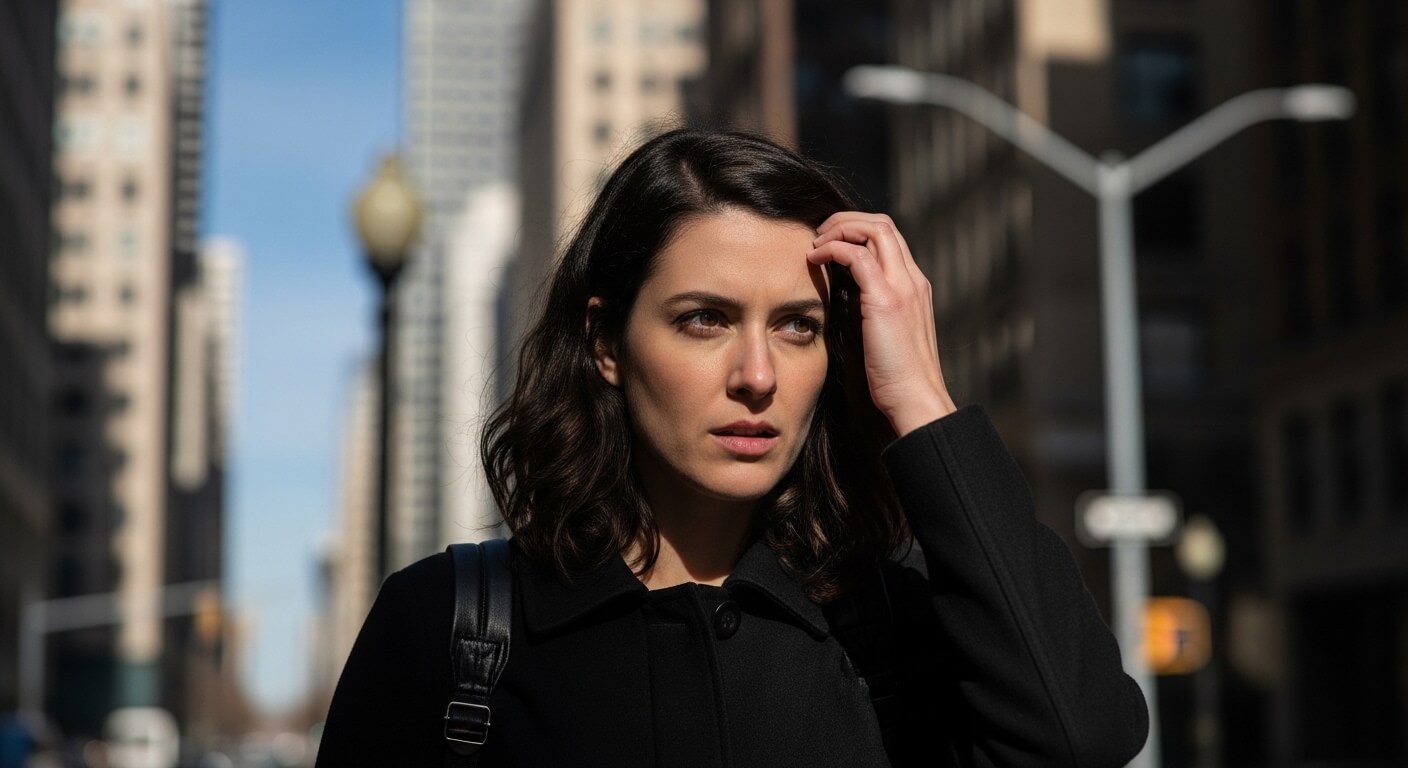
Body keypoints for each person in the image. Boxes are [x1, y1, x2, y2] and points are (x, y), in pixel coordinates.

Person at [316, 128, 1149, 767]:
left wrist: (922, 401)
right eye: (704, 319)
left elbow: (1080, 740)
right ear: (606, 341)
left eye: (798, 327)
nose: (757, 375)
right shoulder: (451, 627)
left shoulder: (893, 626)